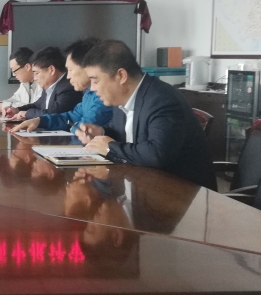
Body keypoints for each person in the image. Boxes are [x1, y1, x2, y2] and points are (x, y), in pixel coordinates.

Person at [75, 40, 216, 190]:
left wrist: (109, 148)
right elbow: (125, 135)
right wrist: (101, 133)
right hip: (142, 185)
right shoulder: (121, 98)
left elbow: (157, 154)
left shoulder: (161, 99)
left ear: (121, 76)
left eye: (95, 81)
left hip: (181, 193)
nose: (92, 89)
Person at [9, 38, 112, 134]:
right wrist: (40, 121)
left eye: (70, 70)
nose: (68, 76)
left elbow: (84, 128)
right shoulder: (89, 93)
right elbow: (71, 117)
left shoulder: (104, 95)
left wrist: (73, 127)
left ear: (88, 67)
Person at [5, 46, 83, 120]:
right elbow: (37, 105)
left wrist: (27, 114)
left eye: (37, 73)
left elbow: (53, 113)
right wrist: (17, 110)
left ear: (51, 70)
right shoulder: (50, 86)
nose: (35, 78)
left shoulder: (68, 88)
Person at [0, 47, 42, 114]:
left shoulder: (42, 81)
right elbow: (16, 98)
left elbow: (33, 106)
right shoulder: (25, 82)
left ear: (27, 67)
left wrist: (2, 106)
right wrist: (0, 103)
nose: (13, 74)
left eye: (15, 70)